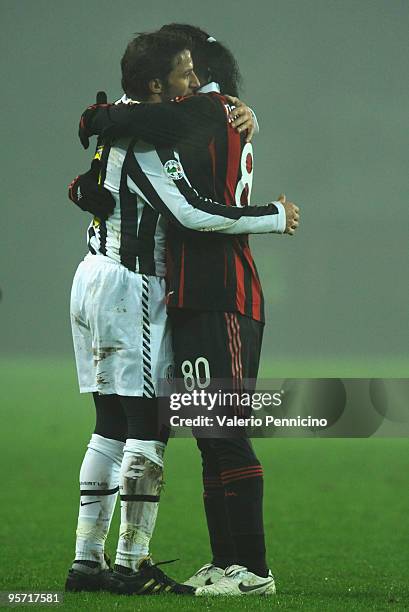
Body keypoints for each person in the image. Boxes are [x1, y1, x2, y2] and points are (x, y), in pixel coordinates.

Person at [67, 28, 296, 597]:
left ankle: (97, 563)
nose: (191, 83)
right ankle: (129, 564)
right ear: (160, 84)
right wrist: (275, 214)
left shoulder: (165, 115)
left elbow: (96, 156)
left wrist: (94, 125)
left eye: (196, 73)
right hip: (145, 285)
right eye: (182, 73)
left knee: (139, 425)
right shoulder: (189, 119)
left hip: (116, 278)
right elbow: (189, 211)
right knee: (162, 425)